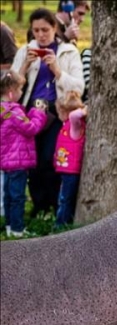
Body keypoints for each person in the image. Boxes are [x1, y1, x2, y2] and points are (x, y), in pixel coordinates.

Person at [10, 7, 84, 219]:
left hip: (56, 112)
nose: (41, 35)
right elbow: (10, 86)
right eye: (36, 31)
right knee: (31, 161)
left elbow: (79, 87)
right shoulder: (25, 51)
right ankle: (38, 205)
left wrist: (57, 70)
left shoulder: (69, 52)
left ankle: (51, 203)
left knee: (49, 158)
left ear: (55, 29)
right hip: (30, 111)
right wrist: (24, 66)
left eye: (45, 30)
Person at [0, 72, 48, 237]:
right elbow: (31, 128)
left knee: (8, 195)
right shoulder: (14, 112)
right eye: (21, 89)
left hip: (6, 162)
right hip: (18, 162)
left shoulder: (2, 110)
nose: (22, 93)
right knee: (18, 197)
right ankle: (18, 229)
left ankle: (9, 225)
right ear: (12, 93)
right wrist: (39, 113)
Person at [53, 90, 85, 228]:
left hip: (72, 172)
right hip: (66, 171)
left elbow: (74, 115)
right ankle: (63, 221)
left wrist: (84, 109)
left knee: (65, 199)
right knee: (63, 198)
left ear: (64, 111)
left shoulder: (74, 125)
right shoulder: (66, 125)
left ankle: (61, 224)